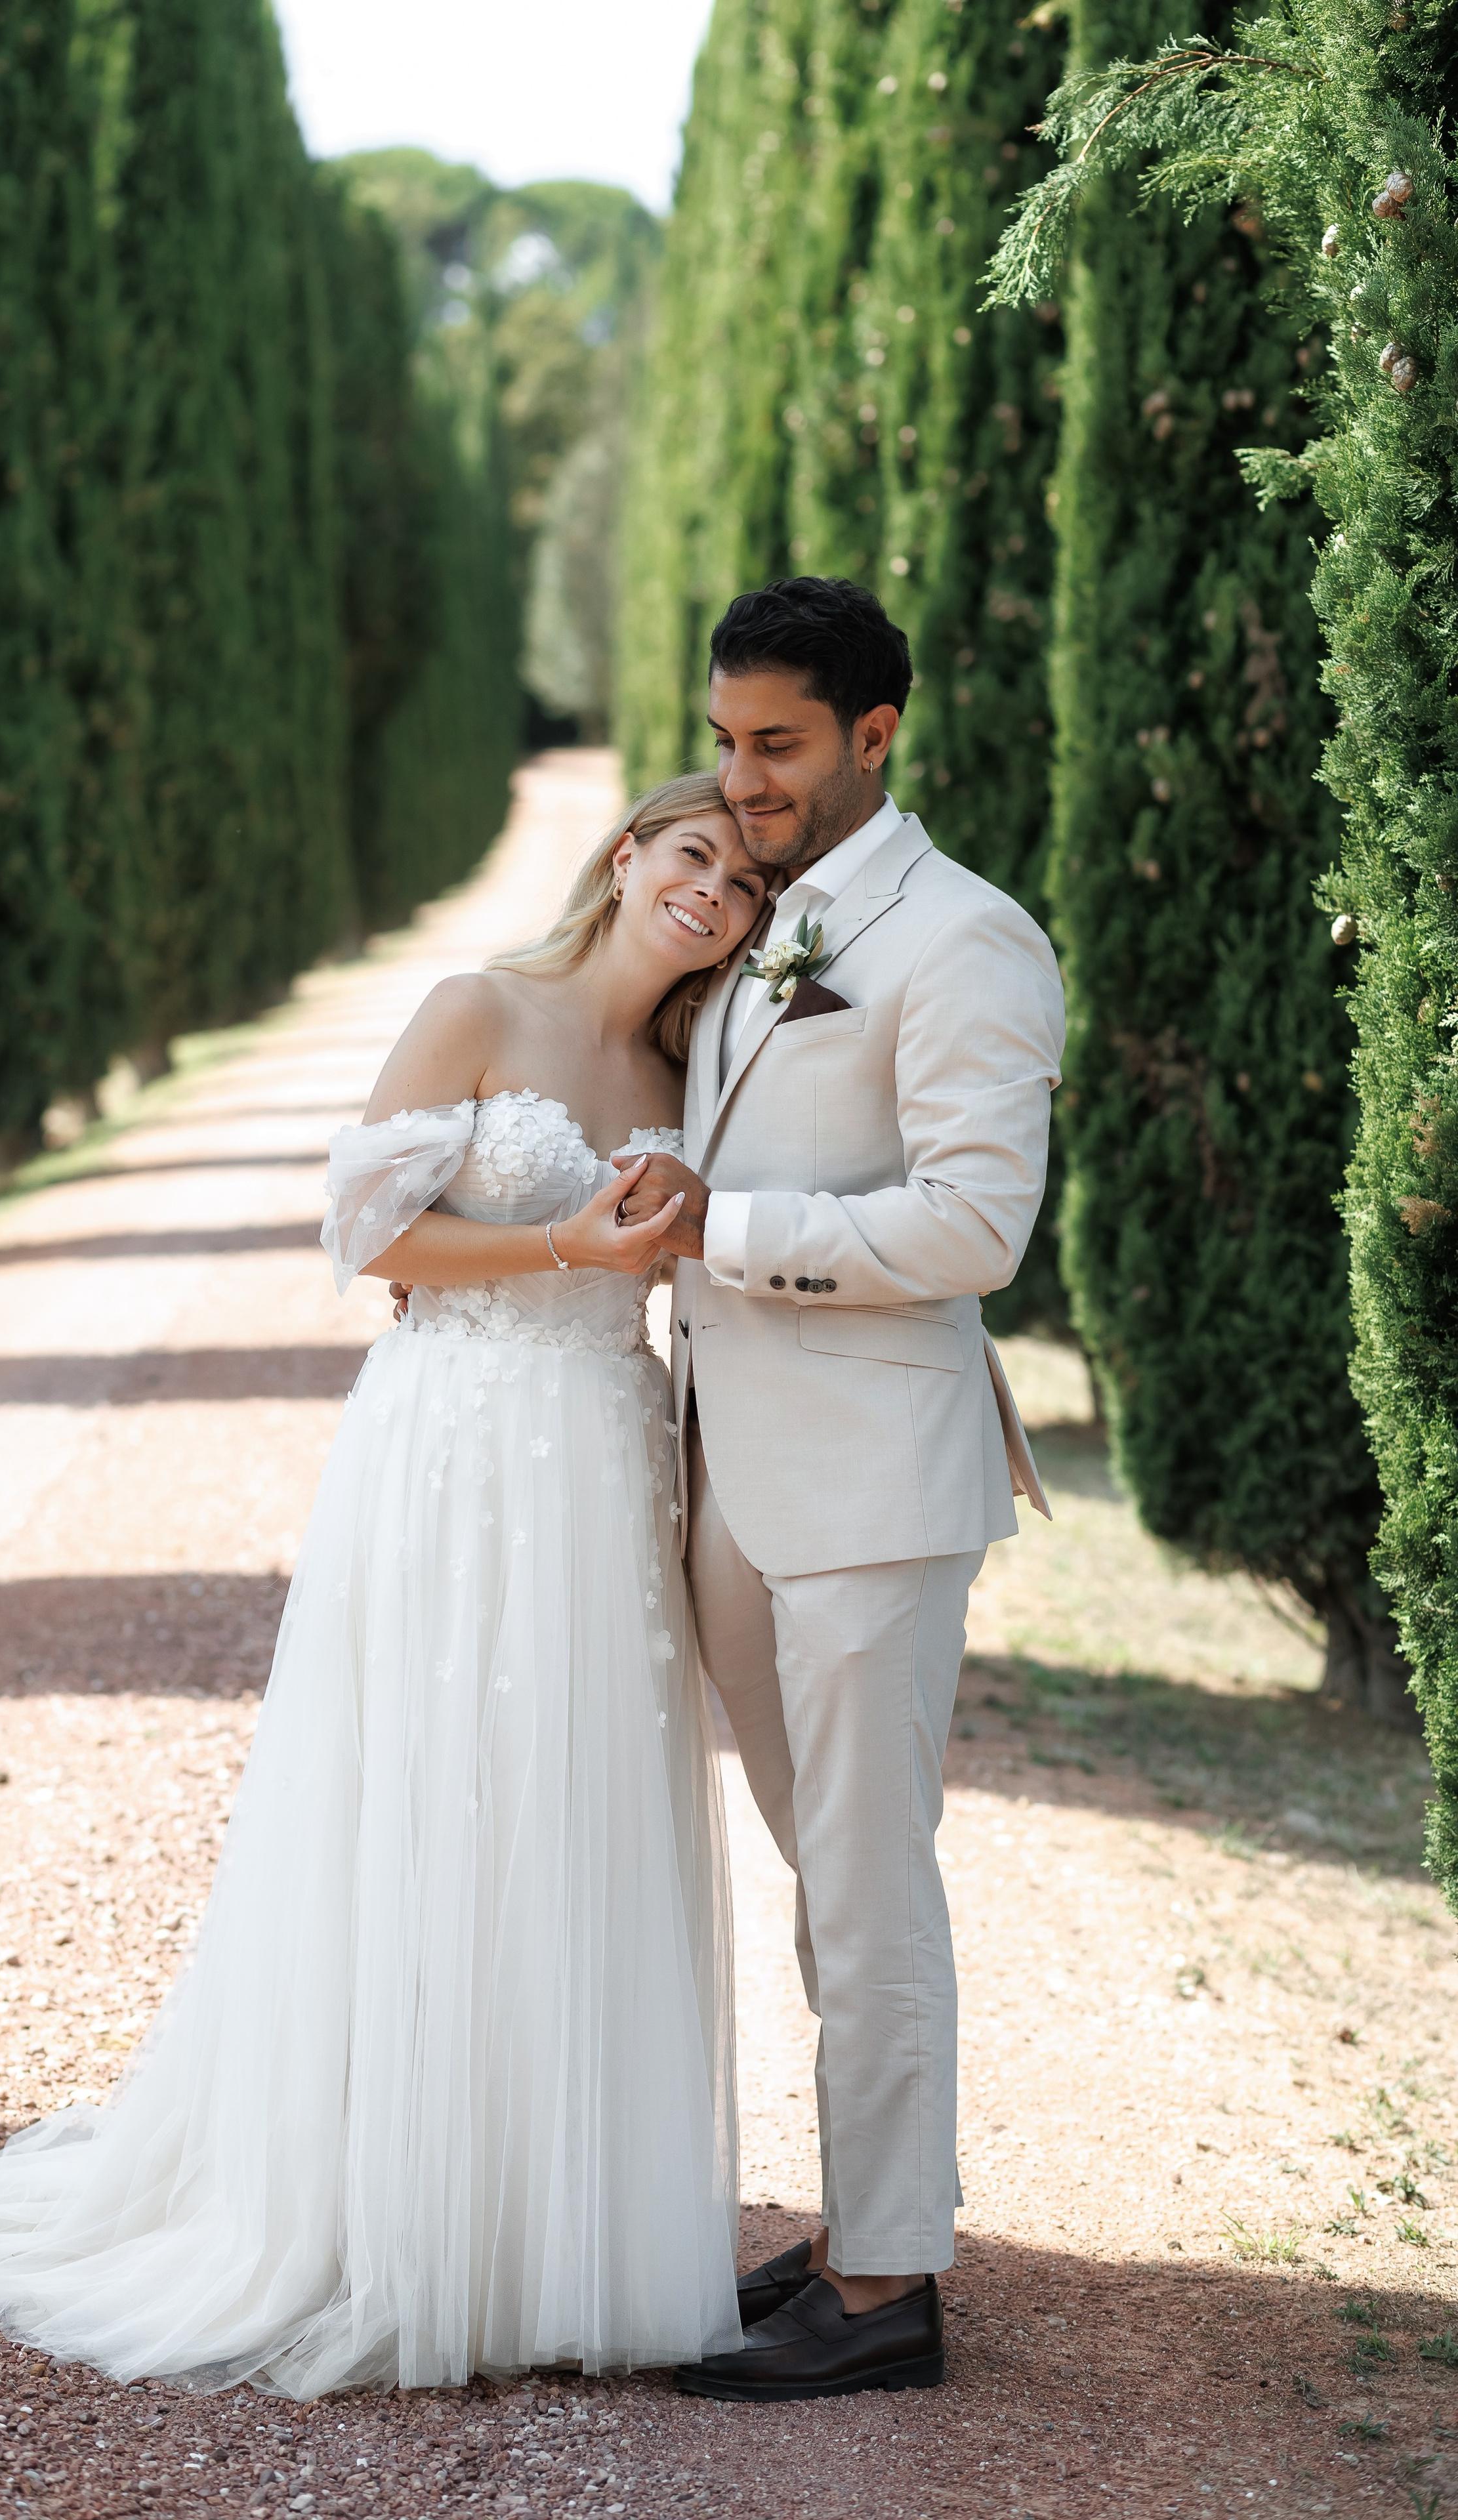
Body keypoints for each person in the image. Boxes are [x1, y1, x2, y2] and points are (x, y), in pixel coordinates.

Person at [0, 774, 769, 2395]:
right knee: (420, 1797)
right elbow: (370, 1234)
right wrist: (572, 1245)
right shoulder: (475, 1004)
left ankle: (536, 2223)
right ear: (627, 855)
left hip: (603, 1450)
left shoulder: (689, 1067)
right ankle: (371, 2212)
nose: (715, 892)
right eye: (693, 854)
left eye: (746, 885)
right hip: (457, 1437)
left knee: (568, 1807)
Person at [615, 578, 1066, 2403]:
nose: (745, 778)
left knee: (873, 1888)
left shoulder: (967, 942)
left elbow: (978, 1227)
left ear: (878, 734)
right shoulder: (770, 924)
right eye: (728, 742)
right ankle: (875, 2219)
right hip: (739, 1472)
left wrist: (734, 1233)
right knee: (829, 1880)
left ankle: (887, 2294)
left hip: (873, 1485)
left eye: (778, 745)